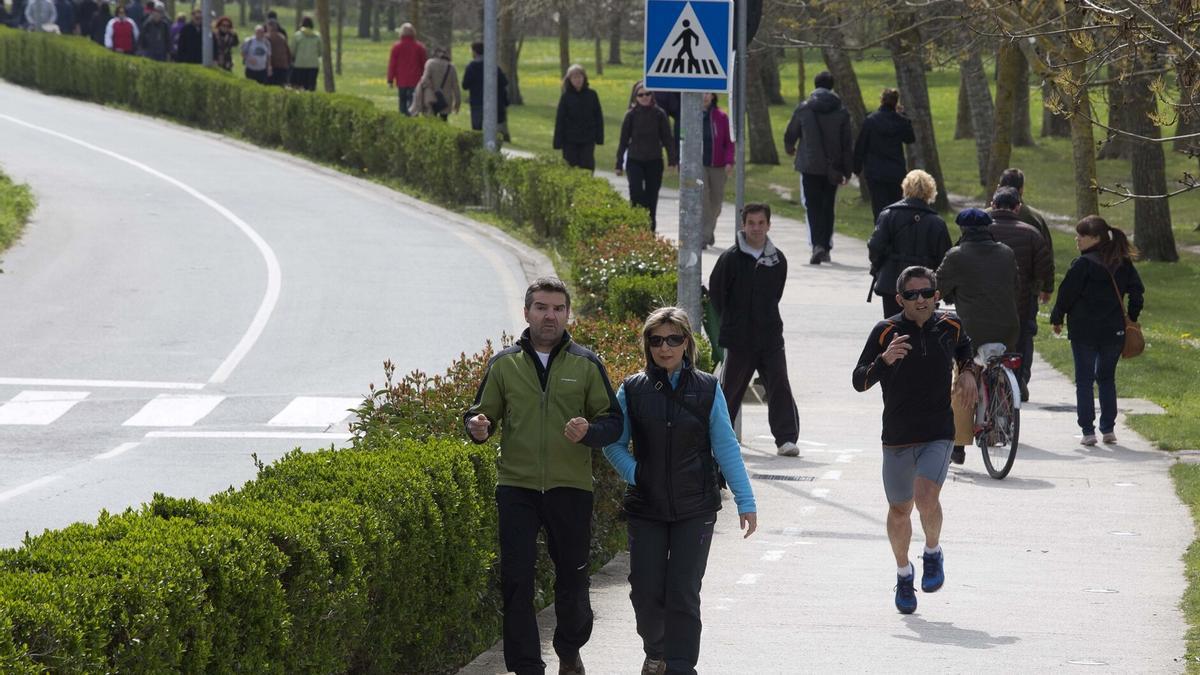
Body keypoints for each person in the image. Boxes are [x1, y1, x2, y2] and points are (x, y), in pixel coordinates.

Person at [464, 277, 624, 675]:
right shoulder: (504, 364)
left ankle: (569, 650)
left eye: (557, 308)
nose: (549, 315)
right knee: (516, 579)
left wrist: (589, 431)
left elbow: (613, 422)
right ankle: (527, 667)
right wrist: (477, 426)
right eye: (541, 307)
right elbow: (480, 413)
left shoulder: (587, 364)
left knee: (572, 579)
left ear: (568, 313)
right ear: (527, 313)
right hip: (516, 487)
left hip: (570, 488)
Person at [603, 306, 757, 675]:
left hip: (696, 508)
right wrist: (637, 474)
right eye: (656, 340)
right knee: (644, 591)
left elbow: (725, 447)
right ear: (647, 345)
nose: (665, 347)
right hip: (646, 507)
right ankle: (656, 650)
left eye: (674, 339)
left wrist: (745, 500)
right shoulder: (632, 389)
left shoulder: (707, 388)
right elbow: (613, 444)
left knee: (684, 593)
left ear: (687, 342)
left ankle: (680, 665)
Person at [852, 265, 974, 615]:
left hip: (938, 431)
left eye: (926, 293)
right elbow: (859, 380)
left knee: (926, 496)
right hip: (897, 436)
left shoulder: (950, 324)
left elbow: (966, 352)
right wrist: (884, 360)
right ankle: (904, 573)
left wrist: (967, 373)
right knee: (899, 509)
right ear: (899, 298)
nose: (920, 300)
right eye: (911, 294)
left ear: (937, 295)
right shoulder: (886, 331)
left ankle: (932, 551)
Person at [708, 203, 802, 457]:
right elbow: (717, 294)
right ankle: (719, 439)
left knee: (779, 384)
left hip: (770, 336)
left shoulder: (778, 260)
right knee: (731, 389)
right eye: (752, 223)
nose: (756, 228)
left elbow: (776, 294)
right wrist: (733, 320)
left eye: (761, 223)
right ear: (743, 225)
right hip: (738, 338)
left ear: (769, 225)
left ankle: (786, 439)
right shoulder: (730, 258)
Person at [936, 207, 1020, 465]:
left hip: (973, 330)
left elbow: (938, 288)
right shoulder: (1006, 252)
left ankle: (958, 445)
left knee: (962, 378)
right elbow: (1014, 283)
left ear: (962, 230)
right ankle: (999, 418)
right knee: (997, 366)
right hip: (1008, 328)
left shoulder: (956, 256)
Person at [1050, 216, 1144, 447]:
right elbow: (1137, 291)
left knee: (1084, 380)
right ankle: (1108, 428)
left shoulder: (1082, 265)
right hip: (1113, 330)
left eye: (1082, 235)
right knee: (1106, 378)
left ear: (1096, 238)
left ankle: (1088, 430)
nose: (1077, 239)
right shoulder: (1122, 262)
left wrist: (1057, 317)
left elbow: (1066, 295)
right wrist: (1131, 316)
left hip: (1084, 331)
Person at [988, 187, 1053, 402]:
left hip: (985, 299)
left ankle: (985, 384)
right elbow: (1045, 267)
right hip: (1020, 300)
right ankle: (1017, 382)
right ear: (1017, 207)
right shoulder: (1031, 233)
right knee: (1021, 340)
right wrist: (1045, 288)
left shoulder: (981, 229)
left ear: (993, 204)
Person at [783, 70, 853, 265]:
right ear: (832, 87)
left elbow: (791, 133)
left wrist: (790, 147)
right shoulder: (841, 111)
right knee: (827, 207)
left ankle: (817, 245)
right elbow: (847, 144)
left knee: (812, 206)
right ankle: (825, 246)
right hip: (833, 167)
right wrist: (848, 171)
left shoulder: (804, 109)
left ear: (815, 85)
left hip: (809, 165)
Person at [867, 169, 952, 318]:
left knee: (893, 327)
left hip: (892, 284)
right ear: (930, 191)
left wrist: (878, 265)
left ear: (905, 188)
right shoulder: (937, 223)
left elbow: (875, 246)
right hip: (925, 287)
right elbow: (945, 258)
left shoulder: (888, 215)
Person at [616, 82, 678, 232]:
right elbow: (623, 140)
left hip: (654, 161)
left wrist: (672, 160)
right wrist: (618, 164)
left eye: (647, 94)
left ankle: (650, 230)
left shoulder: (659, 114)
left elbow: (667, 139)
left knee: (652, 197)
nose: (644, 97)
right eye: (641, 95)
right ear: (635, 97)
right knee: (636, 194)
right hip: (634, 160)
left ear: (652, 96)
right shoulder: (630, 115)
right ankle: (636, 228)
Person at [854, 87, 916, 222]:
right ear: (896, 102)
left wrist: (856, 167)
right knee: (895, 208)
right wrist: (904, 116)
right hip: (896, 171)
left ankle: (880, 236)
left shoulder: (871, 120)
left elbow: (861, 145)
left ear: (881, 100)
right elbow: (910, 138)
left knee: (879, 208)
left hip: (875, 172)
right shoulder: (900, 121)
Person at [552, 64, 604, 172]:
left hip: (588, 138)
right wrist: (557, 141)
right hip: (570, 139)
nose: (577, 80)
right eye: (574, 77)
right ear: (569, 80)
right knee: (570, 167)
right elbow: (560, 120)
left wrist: (599, 137)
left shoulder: (592, 95)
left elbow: (598, 116)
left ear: (584, 78)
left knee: (587, 165)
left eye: (580, 77)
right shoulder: (566, 97)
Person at [700, 93, 734, 249]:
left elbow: (729, 141)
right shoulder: (692, 115)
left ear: (713, 96)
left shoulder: (721, 117)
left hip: (718, 165)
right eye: (702, 93)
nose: (705, 96)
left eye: (708, 93)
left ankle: (708, 230)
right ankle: (704, 236)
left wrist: (729, 161)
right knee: (703, 200)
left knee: (716, 203)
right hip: (700, 164)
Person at [460, 41, 509, 138]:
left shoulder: (471, 67)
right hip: (493, 102)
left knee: (477, 129)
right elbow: (504, 82)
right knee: (492, 128)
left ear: (474, 52)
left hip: (477, 101)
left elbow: (465, 85)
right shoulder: (492, 66)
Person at [387, 23, 427, 116]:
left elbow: (392, 65)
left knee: (402, 102)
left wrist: (390, 79)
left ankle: (403, 119)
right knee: (413, 104)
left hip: (402, 80)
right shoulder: (420, 47)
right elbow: (424, 64)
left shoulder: (396, 47)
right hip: (415, 80)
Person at [410, 46, 460, 120]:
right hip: (445, 100)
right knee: (443, 120)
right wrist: (457, 102)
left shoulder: (430, 63)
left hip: (431, 97)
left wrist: (430, 88)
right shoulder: (451, 67)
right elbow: (455, 86)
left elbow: (424, 80)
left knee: (431, 120)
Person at [289, 16, 321, 91]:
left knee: (299, 87)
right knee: (311, 87)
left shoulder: (297, 35)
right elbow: (320, 51)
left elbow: (293, 50)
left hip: (299, 65)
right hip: (313, 65)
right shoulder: (317, 36)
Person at [265, 20, 291, 85]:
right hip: (283, 65)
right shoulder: (282, 37)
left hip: (273, 65)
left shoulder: (267, 37)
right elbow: (288, 51)